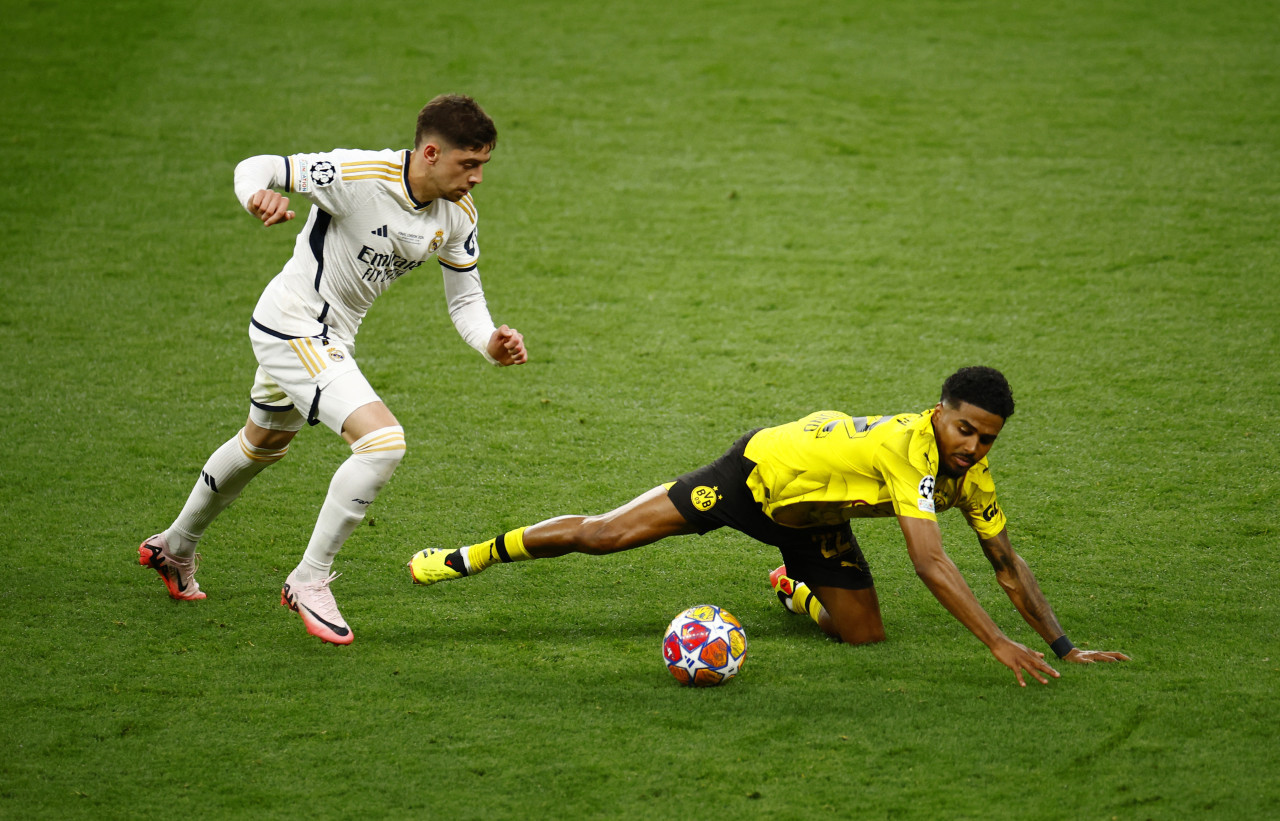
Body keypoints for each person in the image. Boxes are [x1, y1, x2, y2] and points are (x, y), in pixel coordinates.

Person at [408, 366, 1128, 685]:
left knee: (864, 635)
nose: (972, 446)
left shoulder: (971, 477)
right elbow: (931, 564)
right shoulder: (909, 446)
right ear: (939, 409)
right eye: (964, 429)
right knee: (604, 533)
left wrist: (1063, 646)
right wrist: (998, 643)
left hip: (816, 520)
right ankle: (473, 553)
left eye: (987, 439)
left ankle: (795, 584)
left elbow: (1005, 561)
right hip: (755, 476)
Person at [140, 94, 528, 645]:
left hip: (330, 337)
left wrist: (492, 342)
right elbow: (261, 167)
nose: (479, 177)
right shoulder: (357, 174)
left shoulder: (457, 215)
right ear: (432, 152)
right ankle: (309, 578)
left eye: (484, 164)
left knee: (263, 445)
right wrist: (255, 194)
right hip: (293, 325)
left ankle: (173, 547)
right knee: (383, 442)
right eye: (470, 163)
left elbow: (466, 302)